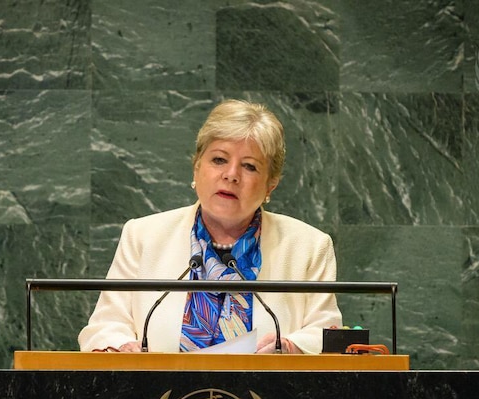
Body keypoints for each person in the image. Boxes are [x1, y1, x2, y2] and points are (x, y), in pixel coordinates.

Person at [78, 99, 342, 354]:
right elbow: (105, 326)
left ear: (270, 185)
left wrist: (292, 347)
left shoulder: (309, 247)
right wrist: (122, 345)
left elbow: (327, 334)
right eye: (219, 160)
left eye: (249, 166)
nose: (231, 175)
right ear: (196, 168)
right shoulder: (143, 236)